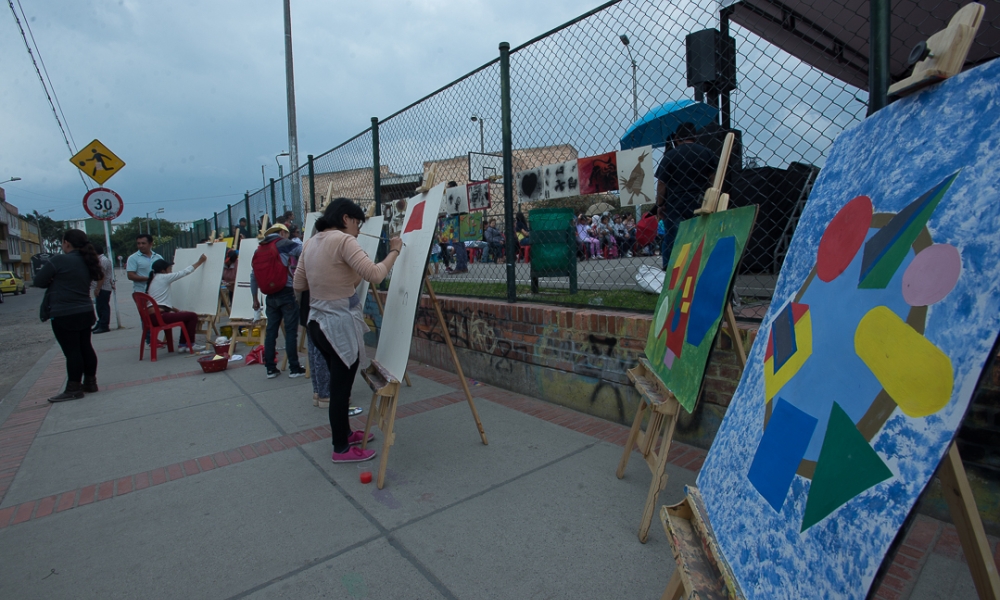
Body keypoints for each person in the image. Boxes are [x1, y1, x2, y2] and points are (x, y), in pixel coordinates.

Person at [293, 198, 403, 464]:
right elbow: (375, 275)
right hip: (338, 324)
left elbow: (298, 283)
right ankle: (340, 448)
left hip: (317, 323)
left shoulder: (311, 242)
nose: (358, 229)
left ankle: (344, 434)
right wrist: (395, 252)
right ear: (346, 219)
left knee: (339, 384)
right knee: (341, 389)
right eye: (357, 223)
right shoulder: (343, 241)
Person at [35, 230, 103, 402]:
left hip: (64, 313)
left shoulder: (59, 260)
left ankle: (73, 387)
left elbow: (38, 281)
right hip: (86, 311)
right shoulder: (88, 260)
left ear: (66, 243)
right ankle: (90, 382)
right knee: (85, 347)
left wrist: (53, 280)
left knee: (72, 352)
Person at [655, 121, 718, 269]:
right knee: (700, 238)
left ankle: (670, 270)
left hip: (676, 204)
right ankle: (699, 268)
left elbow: (661, 184)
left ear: (677, 138)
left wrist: (660, 204)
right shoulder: (705, 152)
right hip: (700, 202)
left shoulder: (670, 156)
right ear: (695, 136)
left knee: (673, 239)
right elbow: (714, 178)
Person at [251, 223, 304, 379]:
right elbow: (304, 252)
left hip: (269, 296)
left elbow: (253, 277)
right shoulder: (283, 243)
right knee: (291, 332)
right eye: (287, 234)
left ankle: (270, 368)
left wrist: (255, 299)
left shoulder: (259, 250)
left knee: (271, 333)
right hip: (286, 292)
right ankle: (294, 368)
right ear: (282, 232)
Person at [145, 256, 209, 353]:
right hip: (159, 316)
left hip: (154, 316)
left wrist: (176, 310)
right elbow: (184, 272)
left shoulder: (154, 279)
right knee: (192, 316)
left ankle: (183, 345)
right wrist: (200, 262)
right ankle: (190, 344)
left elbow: (161, 302)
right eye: (169, 268)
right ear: (163, 270)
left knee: (184, 316)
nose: (171, 270)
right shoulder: (163, 277)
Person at [92, 243, 114, 334]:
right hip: (102, 287)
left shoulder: (103, 261)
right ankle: (100, 323)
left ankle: (104, 325)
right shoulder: (99, 260)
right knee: (99, 306)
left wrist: (98, 288)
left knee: (103, 307)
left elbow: (101, 276)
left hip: (103, 287)